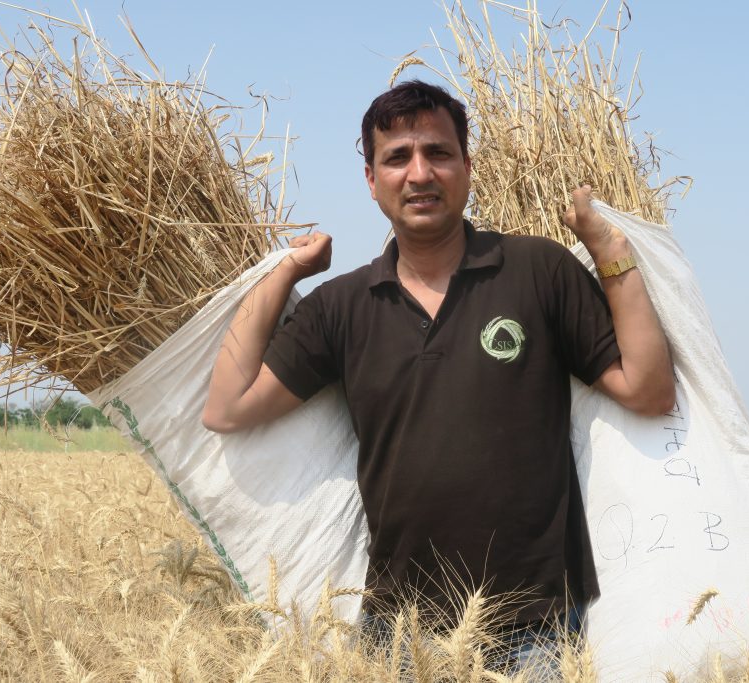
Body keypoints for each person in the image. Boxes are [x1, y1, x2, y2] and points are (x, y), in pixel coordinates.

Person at [202, 80, 674, 668]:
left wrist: (609, 249)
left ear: (467, 167)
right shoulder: (341, 307)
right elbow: (225, 408)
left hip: (537, 630)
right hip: (399, 634)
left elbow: (650, 391)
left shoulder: (537, 270)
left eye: (438, 153)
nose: (419, 173)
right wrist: (286, 271)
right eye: (397, 158)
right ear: (372, 181)